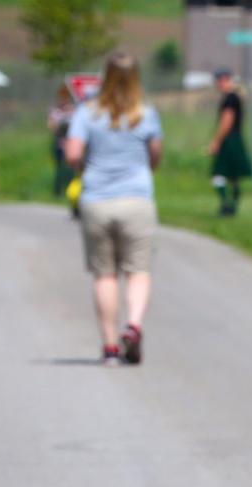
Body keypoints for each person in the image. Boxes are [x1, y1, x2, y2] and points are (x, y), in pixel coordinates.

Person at [65, 51, 163, 365]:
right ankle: (133, 325)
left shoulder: (87, 113)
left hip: (97, 200)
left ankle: (109, 348)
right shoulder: (146, 113)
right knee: (138, 271)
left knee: (104, 275)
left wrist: (86, 167)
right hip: (137, 199)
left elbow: (72, 153)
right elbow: (155, 154)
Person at [208, 69, 252, 217]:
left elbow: (227, 121)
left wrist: (216, 141)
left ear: (225, 80)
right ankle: (233, 205)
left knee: (219, 174)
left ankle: (226, 204)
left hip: (229, 140)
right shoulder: (236, 97)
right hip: (236, 138)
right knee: (234, 177)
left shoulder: (230, 99)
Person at [48, 83, 76, 199]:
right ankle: (58, 192)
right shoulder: (56, 111)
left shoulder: (73, 110)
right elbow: (51, 126)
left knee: (70, 168)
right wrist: (58, 123)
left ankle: (70, 189)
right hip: (59, 140)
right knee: (59, 167)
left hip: (70, 141)